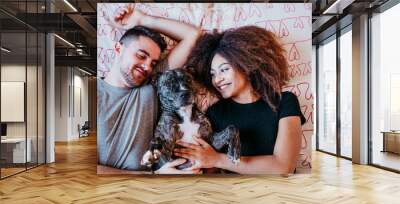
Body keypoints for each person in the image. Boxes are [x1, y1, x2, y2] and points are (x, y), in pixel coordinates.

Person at [176, 26, 306, 174]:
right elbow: (207, 165)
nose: (217, 80)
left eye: (224, 69)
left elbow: (283, 167)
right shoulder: (215, 112)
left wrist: (218, 159)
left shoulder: (285, 101)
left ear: (246, 65)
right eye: (212, 74)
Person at [97, 4, 201, 174]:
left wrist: (143, 19)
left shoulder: (151, 84)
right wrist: (152, 176)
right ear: (118, 48)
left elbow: (193, 35)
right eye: (141, 55)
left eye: (153, 63)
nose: (147, 67)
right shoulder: (94, 93)